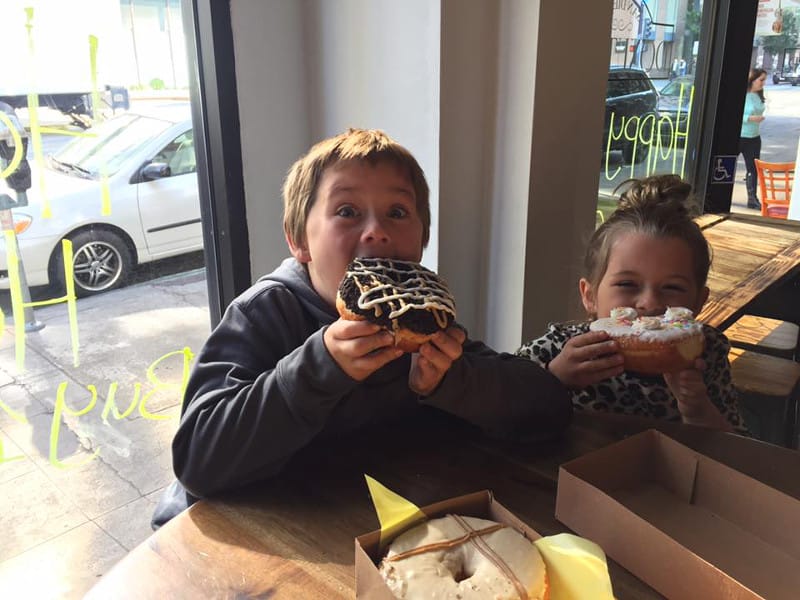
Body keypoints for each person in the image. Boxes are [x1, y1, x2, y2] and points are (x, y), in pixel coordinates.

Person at [152, 128, 572, 528]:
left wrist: (453, 381)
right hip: (250, 533)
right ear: (299, 241)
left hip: (365, 519)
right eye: (347, 212)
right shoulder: (265, 314)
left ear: (423, 240)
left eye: (398, 213)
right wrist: (319, 368)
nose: (377, 232)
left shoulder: (420, 321)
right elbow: (197, 460)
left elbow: (548, 407)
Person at [516, 175, 748, 434]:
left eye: (672, 287)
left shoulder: (705, 354)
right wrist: (555, 379)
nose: (649, 303)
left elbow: (735, 447)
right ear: (590, 295)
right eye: (627, 284)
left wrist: (697, 409)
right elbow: (501, 408)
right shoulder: (559, 348)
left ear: (697, 302)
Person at [739, 68, 767, 210]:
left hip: (754, 137)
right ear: (752, 80)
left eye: (764, 80)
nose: (763, 83)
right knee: (727, 165)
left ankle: (752, 198)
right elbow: (733, 115)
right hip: (739, 136)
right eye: (761, 80)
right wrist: (750, 118)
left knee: (753, 168)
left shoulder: (758, 95)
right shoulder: (742, 95)